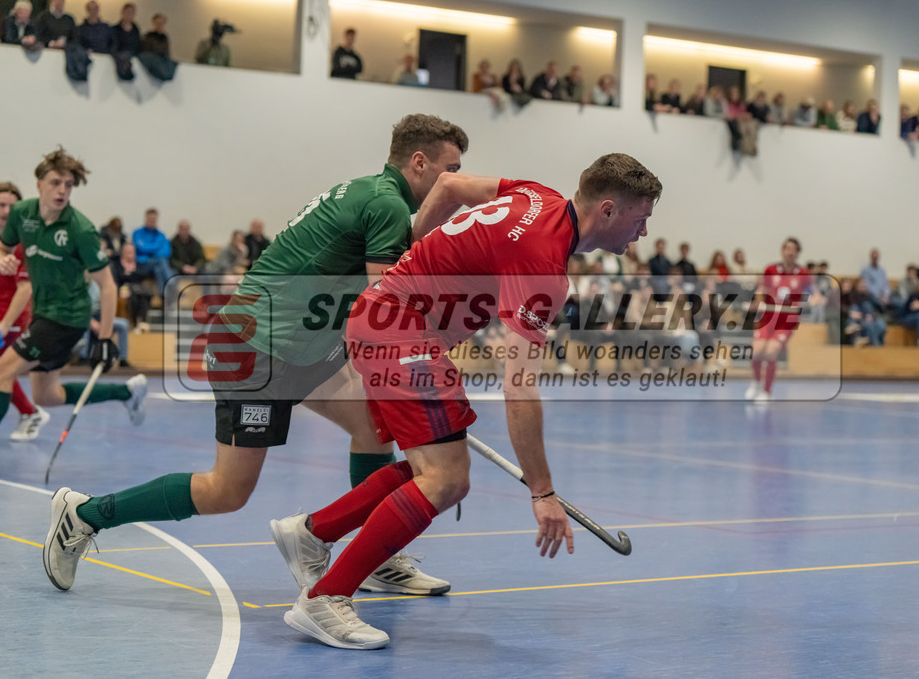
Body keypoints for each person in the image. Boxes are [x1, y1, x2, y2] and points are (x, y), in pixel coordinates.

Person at [42, 115, 468, 600]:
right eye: (450, 169)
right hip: (255, 349)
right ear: (419, 162)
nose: (453, 182)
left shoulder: (373, 193)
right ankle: (83, 514)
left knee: (373, 427)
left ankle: (376, 559)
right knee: (227, 491)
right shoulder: (387, 204)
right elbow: (383, 308)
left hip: (299, 344)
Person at [272, 152, 662, 649]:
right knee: (446, 479)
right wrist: (542, 492)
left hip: (387, 322)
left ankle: (311, 533)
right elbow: (518, 387)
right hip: (400, 332)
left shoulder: (534, 195)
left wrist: (411, 255)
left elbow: (450, 187)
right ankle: (324, 599)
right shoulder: (544, 266)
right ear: (607, 210)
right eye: (640, 219)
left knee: (429, 468)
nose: (643, 233)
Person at [0, 148, 147, 451]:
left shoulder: (80, 229)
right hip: (43, 313)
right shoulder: (22, 214)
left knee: (2, 370)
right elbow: (2, 248)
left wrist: (104, 338)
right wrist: (0, 259)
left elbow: (108, 285)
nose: (62, 190)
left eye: (68, 185)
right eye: (55, 183)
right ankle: (127, 393)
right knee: (47, 397)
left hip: (67, 317)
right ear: (39, 185)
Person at [0, 182, 47, 442]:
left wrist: (4, 324)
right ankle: (29, 412)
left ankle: (30, 412)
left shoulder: (20, 245)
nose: (6, 211)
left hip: (7, 320)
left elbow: (25, 289)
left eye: (11, 206)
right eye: (1, 204)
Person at [746, 237, 810, 401]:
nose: (789, 252)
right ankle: (756, 383)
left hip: (787, 319)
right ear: (782, 251)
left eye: (792, 250)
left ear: (797, 253)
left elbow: (813, 292)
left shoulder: (803, 274)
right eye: (786, 249)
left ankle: (766, 392)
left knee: (771, 351)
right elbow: (761, 288)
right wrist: (758, 301)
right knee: (757, 351)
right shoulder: (771, 269)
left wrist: (816, 298)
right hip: (768, 315)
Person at [131, 207, 174, 304]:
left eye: (154, 220)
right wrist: (155, 249)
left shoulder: (160, 235)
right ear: (145, 219)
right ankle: (172, 284)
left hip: (155, 265)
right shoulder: (137, 233)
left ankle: (164, 298)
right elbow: (141, 248)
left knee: (159, 268)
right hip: (142, 264)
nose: (152, 222)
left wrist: (149, 251)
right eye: (150, 219)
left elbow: (166, 252)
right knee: (161, 261)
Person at [113, 242, 152, 332]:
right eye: (128, 251)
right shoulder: (117, 264)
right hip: (123, 288)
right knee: (134, 294)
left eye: (132, 251)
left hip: (137, 289)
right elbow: (118, 278)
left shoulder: (139, 264)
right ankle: (136, 322)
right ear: (123, 252)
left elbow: (143, 276)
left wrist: (129, 273)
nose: (130, 253)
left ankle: (141, 321)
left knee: (143, 294)